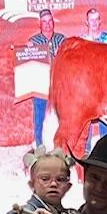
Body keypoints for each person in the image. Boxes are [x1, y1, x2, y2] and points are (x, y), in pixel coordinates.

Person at [27, 9, 66, 147]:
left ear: (53, 23)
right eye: (44, 22)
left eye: (50, 21)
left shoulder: (62, 39)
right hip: (41, 85)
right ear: (40, 24)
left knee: (62, 116)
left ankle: (60, 146)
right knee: (40, 117)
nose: (48, 24)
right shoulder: (33, 41)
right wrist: (28, 50)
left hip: (59, 85)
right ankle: (40, 147)